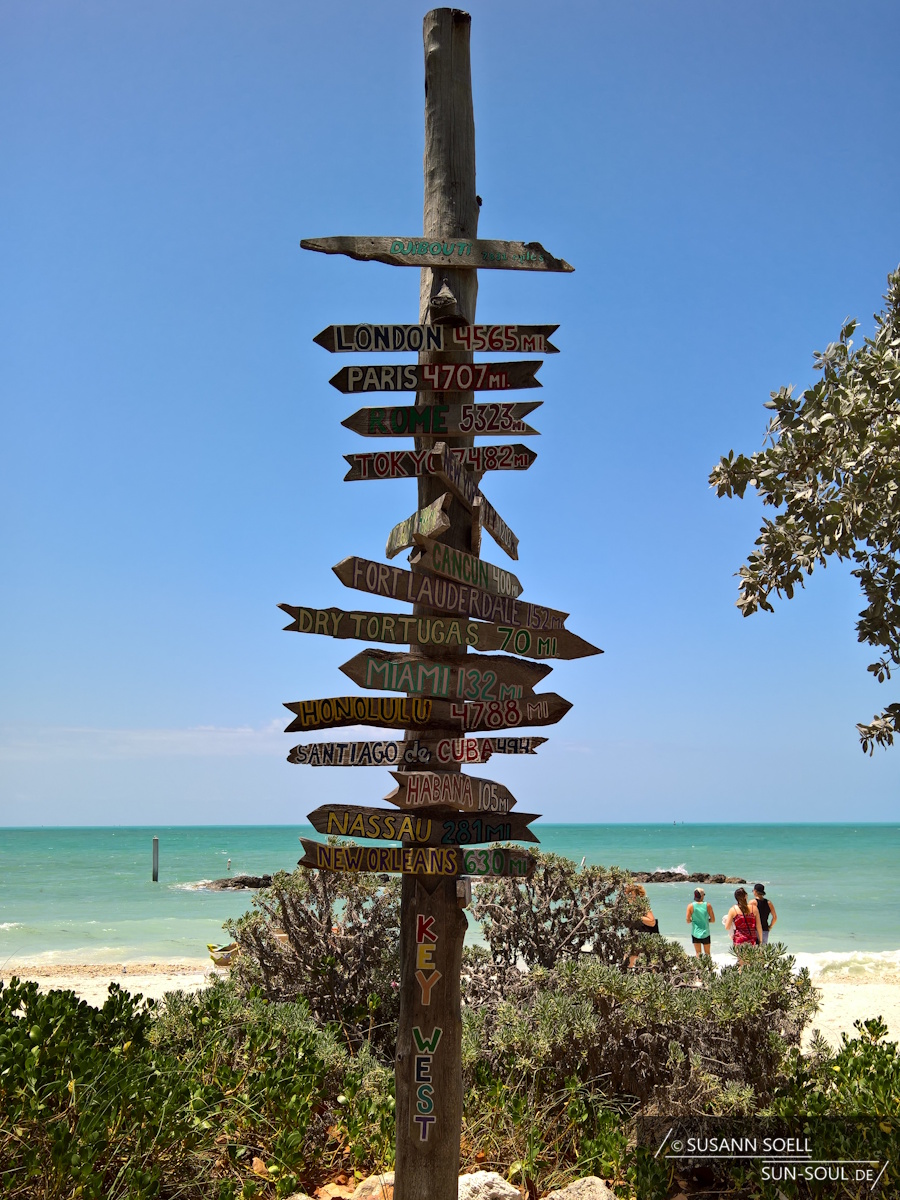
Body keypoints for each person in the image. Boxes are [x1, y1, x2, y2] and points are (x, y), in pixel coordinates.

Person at [724, 887, 763, 968]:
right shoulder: (754, 908)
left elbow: (727, 927)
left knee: (741, 964)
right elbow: (759, 926)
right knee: (751, 964)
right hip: (752, 939)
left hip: (739, 939)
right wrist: (761, 940)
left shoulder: (733, 909)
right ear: (746, 896)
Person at [624, 883, 660, 968]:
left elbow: (652, 922)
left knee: (651, 963)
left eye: (632, 895)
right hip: (635, 936)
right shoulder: (626, 908)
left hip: (649, 936)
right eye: (628, 895)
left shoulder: (643, 906)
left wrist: (637, 916)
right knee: (628, 958)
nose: (630, 897)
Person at [686, 887, 714, 957]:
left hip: (695, 932)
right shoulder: (708, 905)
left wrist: (693, 920)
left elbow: (688, 921)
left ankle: (698, 964)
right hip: (706, 933)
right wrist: (706, 920)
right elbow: (713, 920)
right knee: (707, 953)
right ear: (702, 896)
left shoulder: (690, 906)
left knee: (698, 953)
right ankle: (708, 964)